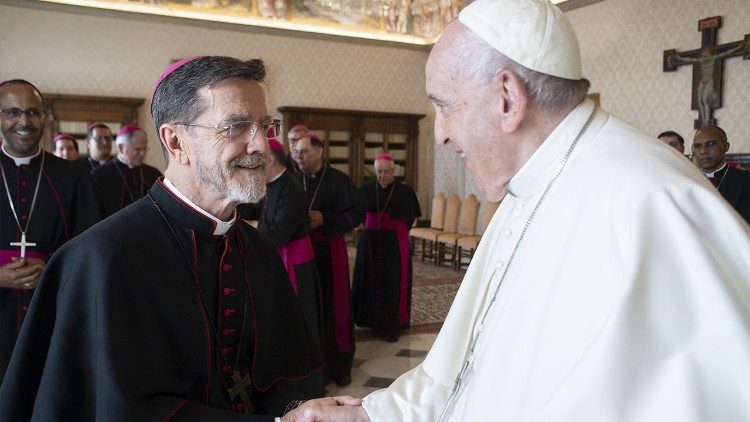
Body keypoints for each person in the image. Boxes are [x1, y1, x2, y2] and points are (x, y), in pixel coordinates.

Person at [297, 0, 750, 420]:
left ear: (507, 98)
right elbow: (463, 368)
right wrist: (372, 413)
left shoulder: (654, 204)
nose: (440, 135)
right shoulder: (526, 189)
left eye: (444, 106)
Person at [0, 57, 347, 420]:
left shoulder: (258, 250)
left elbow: (278, 376)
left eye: (265, 126)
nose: (261, 144)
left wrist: (298, 411)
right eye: (237, 127)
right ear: (176, 141)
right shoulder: (103, 258)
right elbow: (118, 410)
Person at [0, 79, 103, 384]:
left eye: (33, 112)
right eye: (12, 112)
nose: (24, 121)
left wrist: (51, 270)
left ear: (44, 118)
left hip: (52, 315)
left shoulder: (76, 179)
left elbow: (93, 251)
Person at [239, 135, 327, 399]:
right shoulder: (273, 185)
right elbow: (261, 216)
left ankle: (309, 385)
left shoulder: (291, 189)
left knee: (303, 323)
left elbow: (277, 233)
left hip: (296, 265)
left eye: (256, 162)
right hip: (283, 259)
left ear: (270, 159)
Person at [292, 132, 364, 387]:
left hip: (329, 252)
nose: (298, 156)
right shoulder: (293, 179)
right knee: (310, 308)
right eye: (296, 151)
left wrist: (325, 218)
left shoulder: (338, 180)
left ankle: (340, 365)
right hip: (302, 253)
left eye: (303, 151)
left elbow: (357, 212)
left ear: (319, 152)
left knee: (336, 307)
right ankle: (314, 366)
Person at [352, 153, 421, 343]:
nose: (382, 175)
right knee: (369, 278)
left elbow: (408, 220)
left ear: (393, 171)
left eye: (386, 172)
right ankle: (369, 320)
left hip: (394, 244)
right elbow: (358, 215)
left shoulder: (405, 192)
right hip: (370, 243)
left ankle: (392, 325)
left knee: (392, 282)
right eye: (379, 171)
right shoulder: (365, 190)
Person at [92, 124, 163, 215]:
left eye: (145, 149)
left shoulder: (154, 173)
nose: (142, 153)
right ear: (121, 148)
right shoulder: (99, 176)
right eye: (137, 149)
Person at [692, 125, 750, 223]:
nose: (703, 151)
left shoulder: (745, 181)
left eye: (711, 144)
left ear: (726, 146)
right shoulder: (688, 180)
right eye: (697, 146)